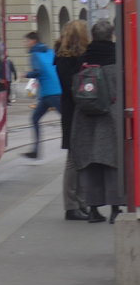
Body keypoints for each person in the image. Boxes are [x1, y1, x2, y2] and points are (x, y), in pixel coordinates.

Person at [70, 19, 126, 223]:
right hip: (111, 118)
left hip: (85, 120)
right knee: (113, 163)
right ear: (111, 35)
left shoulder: (83, 59)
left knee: (89, 164)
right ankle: (115, 208)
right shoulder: (118, 57)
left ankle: (93, 210)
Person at [53, 20, 91, 220]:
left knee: (80, 157)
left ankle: (80, 201)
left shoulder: (65, 57)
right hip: (75, 110)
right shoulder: (68, 59)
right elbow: (72, 87)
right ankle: (71, 205)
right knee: (74, 159)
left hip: (75, 109)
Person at [23, 31, 60, 159]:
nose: (25, 44)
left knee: (35, 119)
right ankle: (35, 151)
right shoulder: (50, 51)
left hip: (51, 93)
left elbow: (38, 71)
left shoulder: (34, 54)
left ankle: (36, 151)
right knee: (35, 118)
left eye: (26, 41)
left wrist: (27, 74)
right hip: (53, 92)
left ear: (33, 41)